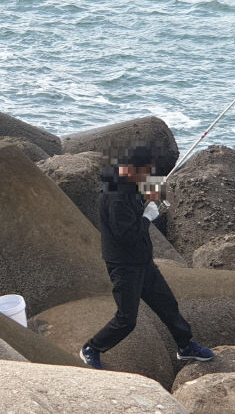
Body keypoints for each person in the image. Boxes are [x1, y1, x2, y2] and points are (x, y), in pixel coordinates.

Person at [79, 145, 215, 369]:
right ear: (132, 170)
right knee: (126, 319)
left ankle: (185, 346)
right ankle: (92, 348)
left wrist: (156, 192)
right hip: (124, 264)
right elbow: (127, 235)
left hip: (142, 259)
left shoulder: (125, 178)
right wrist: (147, 217)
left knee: (167, 304)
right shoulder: (116, 197)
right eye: (146, 172)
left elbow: (143, 191)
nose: (148, 176)